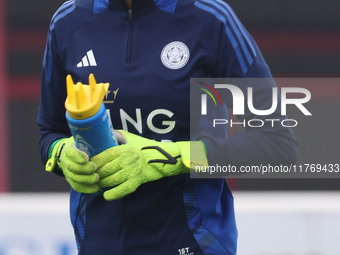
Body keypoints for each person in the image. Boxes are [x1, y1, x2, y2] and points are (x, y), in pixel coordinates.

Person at [37, 0, 298, 254]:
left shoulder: (211, 18)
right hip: (100, 243)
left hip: (193, 241)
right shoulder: (67, 21)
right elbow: (50, 134)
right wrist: (63, 153)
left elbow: (277, 144)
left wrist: (169, 157)